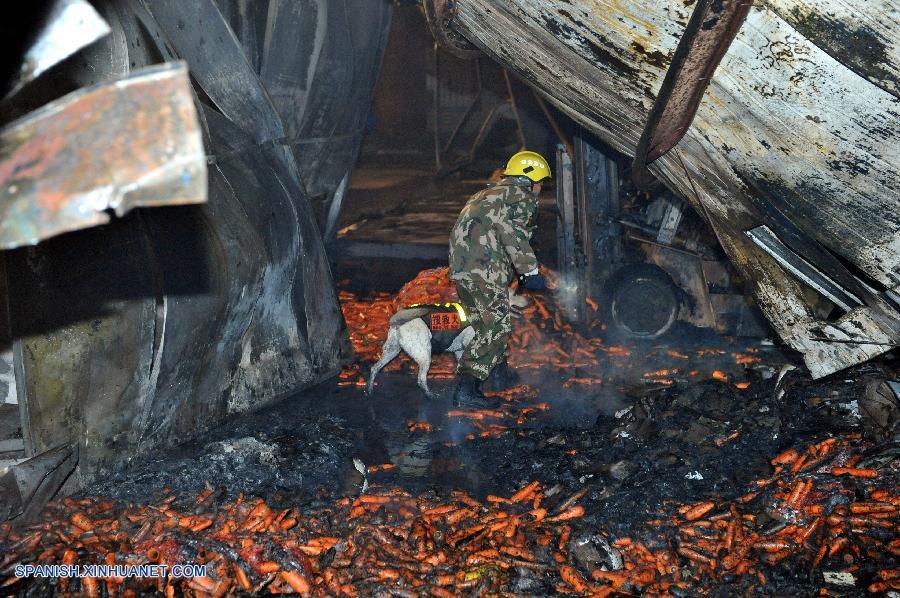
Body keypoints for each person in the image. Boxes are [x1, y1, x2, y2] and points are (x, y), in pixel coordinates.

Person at [449, 150, 550, 407]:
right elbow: (514, 236)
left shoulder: (486, 195)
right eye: (541, 183)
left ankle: (500, 375)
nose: (541, 189)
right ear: (530, 181)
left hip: (463, 272)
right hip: (485, 273)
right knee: (496, 328)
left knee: (488, 324)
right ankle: (466, 390)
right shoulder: (520, 198)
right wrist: (530, 273)